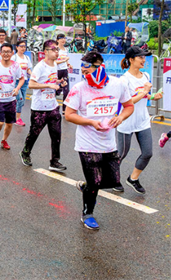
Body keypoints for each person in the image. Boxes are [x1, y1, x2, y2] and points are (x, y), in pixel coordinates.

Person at [64, 51, 134, 230]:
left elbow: (129, 106)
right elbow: (69, 115)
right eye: (83, 72)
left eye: (87, 72)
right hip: (87, 144)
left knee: (114, 181)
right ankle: (87, 213)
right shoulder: (79, 88)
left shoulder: (117, 85)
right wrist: (90, 122)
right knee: (95, 182)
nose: (84, 76)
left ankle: (87, 186)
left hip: (109, 143)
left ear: (99, 67)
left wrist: (120, 118)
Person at [116, 46, 162, 194]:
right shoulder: (124, 80)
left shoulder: (146, 76)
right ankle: (111, 178)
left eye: (144, 57)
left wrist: (152, 96)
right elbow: (127, 102)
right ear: (131, 60)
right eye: (140, 57)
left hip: (142, 121)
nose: (144, 60)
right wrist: (145, 92)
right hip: (126, 121)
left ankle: (133, 179)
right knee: (121, 155)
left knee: (147, 153)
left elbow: (143, 96)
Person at [20, 40, 67, 171]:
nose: (57, 52)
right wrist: (49, 85)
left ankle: (54, 161)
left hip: (53, 106)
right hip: (39, 108)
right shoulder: (40, 66)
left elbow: (50, 80)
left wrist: (58, 82)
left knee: (56, 135)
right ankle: (25, 152)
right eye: (54, 50)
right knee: (34, 133)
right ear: (46, 51)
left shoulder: (54, 65)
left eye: (57, 49)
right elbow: (32, 84)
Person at [0, 43, 24, 150]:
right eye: (4, 52)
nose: (6, 54)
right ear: (0, 53)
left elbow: (22, 78)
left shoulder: (16, 66)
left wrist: (17, 89)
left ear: (12, 53)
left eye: (8, 52)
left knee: (9, 123)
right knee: (0, 122)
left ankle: (4, 140)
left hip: (11, 99)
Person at [11, 40, 32, 126]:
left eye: (24, 46)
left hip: (25, 81)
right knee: (20, 100)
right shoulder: (14, 58)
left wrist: (33, 75)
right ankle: (17, 119)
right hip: (16, 82)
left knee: (22, 102)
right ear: (17, 47)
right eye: (21, 46)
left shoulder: (27, 58)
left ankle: (13, 113)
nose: (23, 48)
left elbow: (28, 69)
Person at [56, 34, 72, 114]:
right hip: (57, 71)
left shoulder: (65, 49)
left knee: (66, 90)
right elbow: (54, 62)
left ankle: (64, 109)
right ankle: (52, 107)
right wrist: (64, 60)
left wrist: (68, 64)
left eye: (64, 38)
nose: (63, 40)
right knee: (55, 89)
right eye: (61, 38)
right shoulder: (56, 49)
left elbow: (66, 60)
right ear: (57, 40)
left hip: (64, 71)